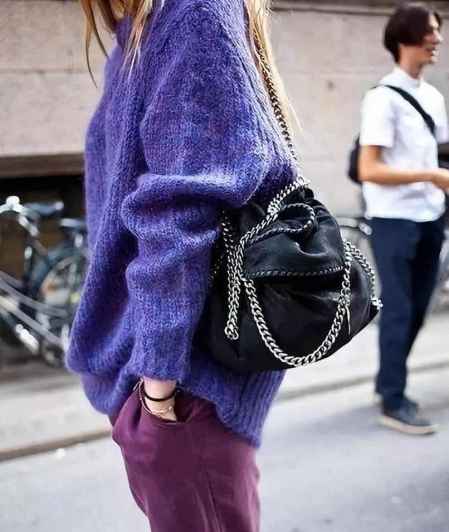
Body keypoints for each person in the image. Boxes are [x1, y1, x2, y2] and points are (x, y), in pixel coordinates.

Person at [68, 0, 297, 530]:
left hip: (182, 385)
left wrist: (158, 387)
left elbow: (180, 208)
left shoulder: (191, 13)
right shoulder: (139, 29)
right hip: (160, 378)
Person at [359, 2, 449, 435]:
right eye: (431, 30)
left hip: (431, 215)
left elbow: (441, 152)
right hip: (393, 219)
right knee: (397, 309)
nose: (438, 39)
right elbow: (369, 169)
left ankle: (386, 382)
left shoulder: (433, 98)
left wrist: (438, 175)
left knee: (418, 308)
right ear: (406, 36)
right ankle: (394, 401)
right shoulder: (382, 98)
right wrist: (430, 175)